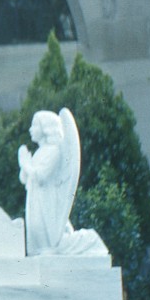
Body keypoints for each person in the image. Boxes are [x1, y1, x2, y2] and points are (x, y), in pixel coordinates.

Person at [18, 108, 107, 256]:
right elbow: (25, 179)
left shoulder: (54, 151)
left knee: (46, 234)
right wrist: (25, 163)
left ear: (46, 128)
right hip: (36, 199)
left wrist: (25, 163)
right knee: (35, 229)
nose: (31, 129)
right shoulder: (40, 152)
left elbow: (41, 176)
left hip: (47, 201)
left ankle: (88, 240)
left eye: (35, 125)